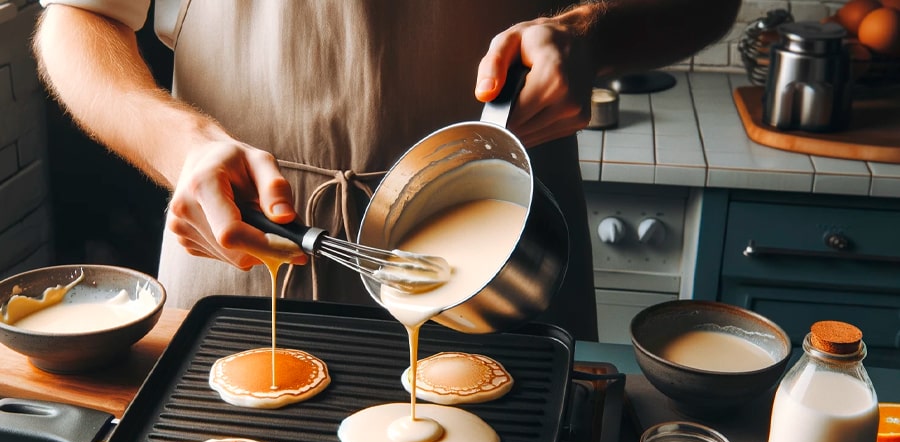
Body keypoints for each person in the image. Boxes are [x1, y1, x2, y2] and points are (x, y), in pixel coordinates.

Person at [33, 1, 740, 342]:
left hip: (499, 261)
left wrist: (594, 32)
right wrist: (181, 145)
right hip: (242, 251)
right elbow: (79, 18)